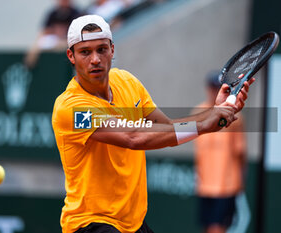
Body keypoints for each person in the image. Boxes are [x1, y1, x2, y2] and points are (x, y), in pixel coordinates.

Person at [52, 15, 253, 233]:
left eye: (101, 49)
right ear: (71, 56)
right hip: (91, 224)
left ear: (112, 49)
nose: (95, 59)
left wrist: (213, 114)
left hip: (133, 223)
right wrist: (204, 124)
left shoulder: (127, 82)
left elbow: (166, 129)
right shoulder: (71, 108)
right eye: (85, 52)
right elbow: (133, 137)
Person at [193, 71, 247, 233]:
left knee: (216, 229)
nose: (215, 92)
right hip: (204, 185)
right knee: (208, 227)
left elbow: (240, 152)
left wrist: (241, 181)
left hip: (226, 184)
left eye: (219, 88)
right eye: (213, 87)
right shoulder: (198, 112)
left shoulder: (234, 116)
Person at [25, 0, 81, 67]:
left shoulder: (75, 13)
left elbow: (77, 32)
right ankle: (29, 65)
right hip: (55, 38)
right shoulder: (53, 13)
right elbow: (44, 31)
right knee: (38, 44)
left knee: (61, 46)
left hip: (68, 39)